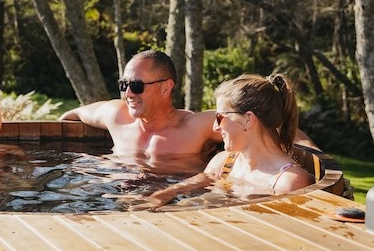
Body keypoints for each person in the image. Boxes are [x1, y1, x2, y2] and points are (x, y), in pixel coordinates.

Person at [135, 73, 315, 209]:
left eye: (220, 118)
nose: (215, 127)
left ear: (248, 119)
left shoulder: (289, 182)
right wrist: (160, 196)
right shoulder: (224, 163)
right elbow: (187, 186)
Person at [59, 50, 221, 170]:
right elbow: (75, 113)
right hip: (118, 198)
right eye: (124, 85)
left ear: (165, 88)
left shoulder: (196, 127)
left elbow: (243, 124)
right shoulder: (116, 116)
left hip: (175, 204)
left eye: (136, 85)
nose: (128, 94)